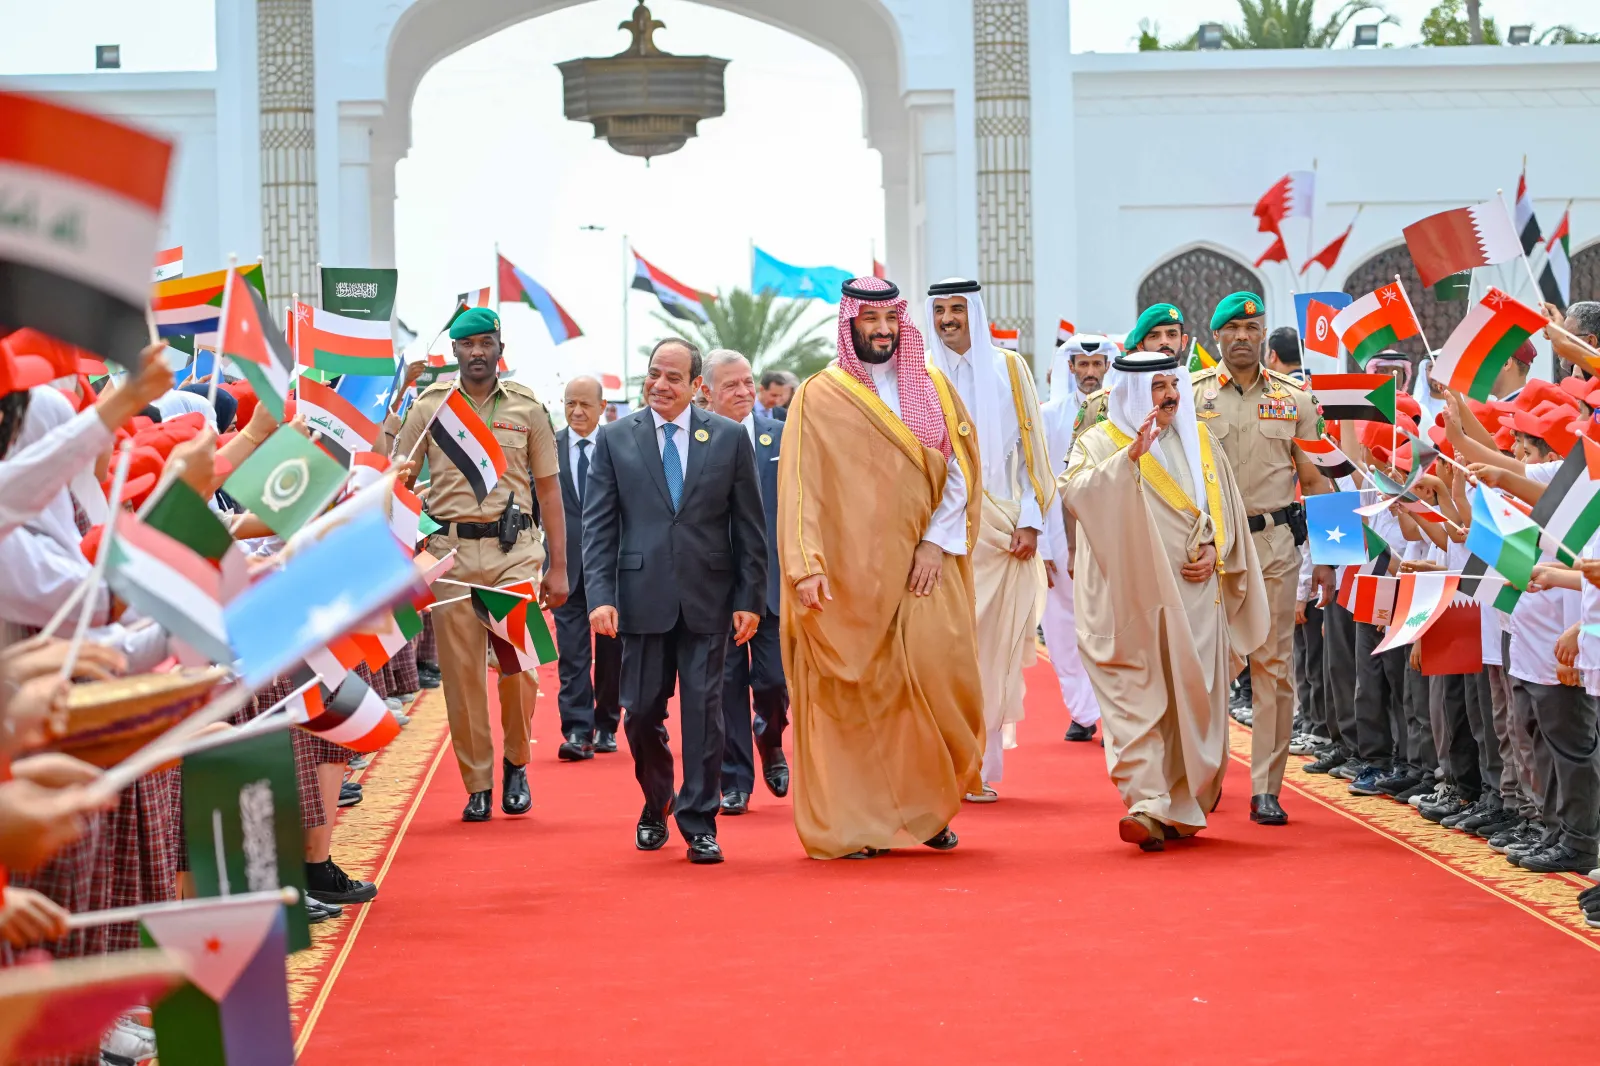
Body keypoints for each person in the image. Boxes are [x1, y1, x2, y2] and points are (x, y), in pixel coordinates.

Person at [777, 275, 984, 859]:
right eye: (871, 322)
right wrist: (806, 567)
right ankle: (866, 822)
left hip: (925, 568)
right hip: (849, 579)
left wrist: (935, 544)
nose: (884, 331)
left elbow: (958, 473)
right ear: (851, 325)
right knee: (864, 698)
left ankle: (930, 803)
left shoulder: (933, 387)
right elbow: (801, 487)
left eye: (891, 321)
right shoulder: (822, 394)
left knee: (939, 681)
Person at [1061, 349, 1268, 850]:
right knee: (1137, 698)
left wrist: (1218, 550)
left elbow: (1228, 512)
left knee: (1189, 701)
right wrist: (1129, 457)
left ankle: (1179, 805)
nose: (1170, 396)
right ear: (1132, 392)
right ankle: (1147, 801)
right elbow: (1075, 494)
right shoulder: (1098, 442)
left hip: (1195, 597)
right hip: (1127, 599)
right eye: (1157, 388)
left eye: (1172, 384)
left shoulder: (1201, 441)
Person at [582, 338, 766, 865]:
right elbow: (598, 527)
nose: (660, 385)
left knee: (704, 715)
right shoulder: (616, 438)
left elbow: (749, 527)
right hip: (639, 600)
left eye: (673, 378)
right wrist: (600, 595)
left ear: (696, 387)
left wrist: (750, 597)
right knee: (639, 714)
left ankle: (700, 821)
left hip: (710, 600)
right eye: (653, 375)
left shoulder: (728, 439)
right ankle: (656, 797)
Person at [393, 307, 568, 822]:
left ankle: (517, 762)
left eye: (485, 343)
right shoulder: (432, 407)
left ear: (498, 347)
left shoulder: (528, 408)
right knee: (462, 677)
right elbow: (396, 477)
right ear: (454, 351)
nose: (477, 353)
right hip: (450, 556)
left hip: (514, 554)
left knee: (520, 669)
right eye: (468, 345)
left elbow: (550, 489)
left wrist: (559, 567)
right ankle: (477, 783)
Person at [1189, 292, 1335, 825]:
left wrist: (1329, 557)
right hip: (1211, 549)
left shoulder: (1294, 399)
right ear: (1218, 337)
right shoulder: (1192, 397)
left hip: (1274, 545)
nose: (1244, 336)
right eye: (1234, 328)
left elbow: (1317, 479)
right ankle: (1205, 778)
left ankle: (1266, 789)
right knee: (1210, 666)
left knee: (1273, 666)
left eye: (1253, 327)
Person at [923, 279, 1052, 799]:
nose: (949, 319)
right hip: (940, 532)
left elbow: (1031, 449)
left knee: (992, 649)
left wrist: (1030, 519)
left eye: (958, 309)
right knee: (943, 649)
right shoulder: (921, 375)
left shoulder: (1010, 369)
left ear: (974, 311)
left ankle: (977, 765)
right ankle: (940, 763)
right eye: (940, 310)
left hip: (1001, 531)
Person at [703, 349, 790, 815]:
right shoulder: (697, 442)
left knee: (773, 682)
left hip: (773, 586)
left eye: (747, 382)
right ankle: (735, 778)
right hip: (717, 588)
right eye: (730, 385)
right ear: (707, 392)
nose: (742, 392)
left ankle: (771, 736)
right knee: (726, 687)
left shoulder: (782, 437)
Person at [1040, 334, 1108, 742]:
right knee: (1063, 627)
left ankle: (1109, 707)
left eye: (1096, 364)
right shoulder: (1049, 416)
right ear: (1070, 369)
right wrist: (1046, 544)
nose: (1089, 373)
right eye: (1082, 366)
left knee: (1107, 624)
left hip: (1108, 533)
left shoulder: (1122, 412)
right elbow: (1034, 480)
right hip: (1056, 532)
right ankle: (1082, 712)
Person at [550, 375, 622, 761]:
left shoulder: (619, 444)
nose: (576, 411)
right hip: (564, 568)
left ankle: (608, 723)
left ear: (601, 407)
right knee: (573, 653)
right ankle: (578, 729)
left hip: (611, 569)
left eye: (584, 405)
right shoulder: (548, 447)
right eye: (569, 404)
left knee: (612, 653)